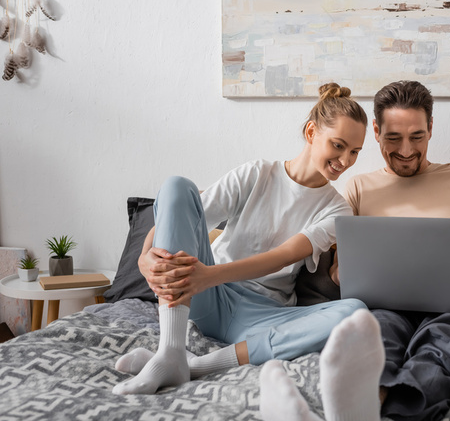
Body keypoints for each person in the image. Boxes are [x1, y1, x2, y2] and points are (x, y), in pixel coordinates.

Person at [259, 80, 450, 421]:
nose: (406, 151)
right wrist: (348, 275)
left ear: (432, 129)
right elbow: (339, 271)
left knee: (441, 352)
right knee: (373, 349)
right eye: (393, 138)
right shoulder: (355, 189)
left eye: (417, 136)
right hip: (381, 307)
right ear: (375, 132)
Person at [112, 83, 369, 395]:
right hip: (208, 298)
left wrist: (208, 276)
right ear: (312, 132)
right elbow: (186, 209)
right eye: (338, 145)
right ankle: (170, 348)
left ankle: (190, 365)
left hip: (261, 313)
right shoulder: (257, 174)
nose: (345, 160)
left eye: (355, 152)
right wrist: (144, 256)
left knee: (354, 311)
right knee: (177, 185)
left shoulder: (337, 209)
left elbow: (286, 254)